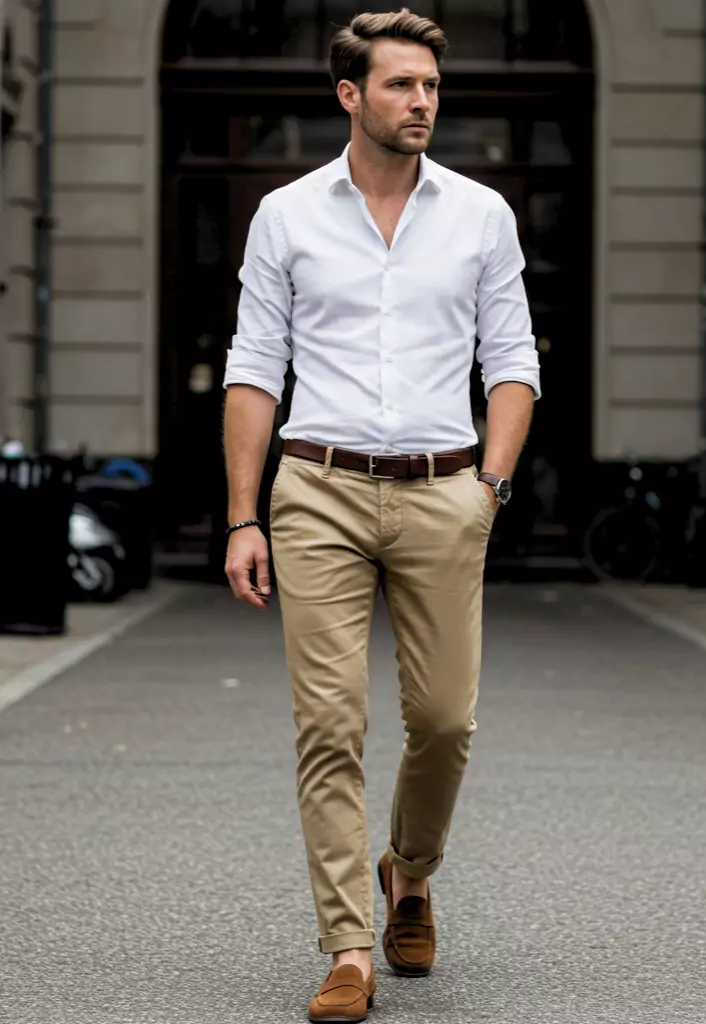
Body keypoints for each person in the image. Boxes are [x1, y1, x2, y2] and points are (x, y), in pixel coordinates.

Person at [223, 9, 540, 1021]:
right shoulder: (286, 216)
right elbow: (252, 369)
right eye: (402, 86)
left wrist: (487, 488)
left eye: (432, 88)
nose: (423, 104)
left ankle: (409, 868)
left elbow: (515, 364)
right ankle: (349, 946)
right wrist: (243, 516)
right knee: (330, 723)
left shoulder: (482, 214)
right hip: (316, 488)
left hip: (445, 491)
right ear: (349, 94)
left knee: (445, 720)